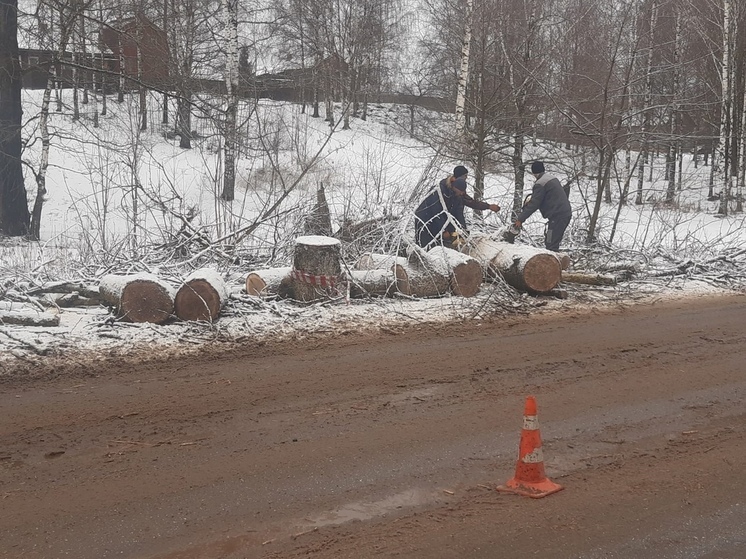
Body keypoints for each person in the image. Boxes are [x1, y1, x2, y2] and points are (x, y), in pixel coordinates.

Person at [414, 165, 501, 249]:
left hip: (442, 218)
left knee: (447, 241)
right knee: (426, 245)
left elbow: (460, 210)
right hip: (425, 218)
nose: (466, 178)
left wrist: (462, 229)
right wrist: (444, 231)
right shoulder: (440, 190)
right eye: (464, 176)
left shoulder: (458, 191)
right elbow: (436, 211)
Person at [512, 161, 572, 252]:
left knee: (551, 244)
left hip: (557, 216)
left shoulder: (540, 184)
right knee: (552, 241)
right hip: (564, 213)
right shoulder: (552, 178)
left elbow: (534, 204)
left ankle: (552, 264)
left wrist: (520, 219)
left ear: (534, 173)